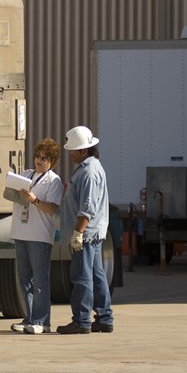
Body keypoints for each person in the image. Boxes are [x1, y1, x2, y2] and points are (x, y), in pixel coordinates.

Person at [56, 125, 114, 334]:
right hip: (93, 233)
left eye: (73, 150)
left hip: (86, 234)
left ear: (84, 150)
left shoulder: (88, 172)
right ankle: (104, 318)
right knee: (97, 276)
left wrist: (78, 233)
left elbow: (87, 208)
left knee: (81, 277)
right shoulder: (92, 167)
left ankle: (81, 321)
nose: (70, 154)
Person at [9, 138, 64, 334]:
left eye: (44, 158)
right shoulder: (26, 175)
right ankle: (29, 318)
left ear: (52, 161)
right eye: (37, 156)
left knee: (40, 281)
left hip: (39, 236)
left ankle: (42, 322)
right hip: (20, 232)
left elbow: (53, 209)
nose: (39, 160)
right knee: (24, 280)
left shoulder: (54, 181)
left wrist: (35, 200)